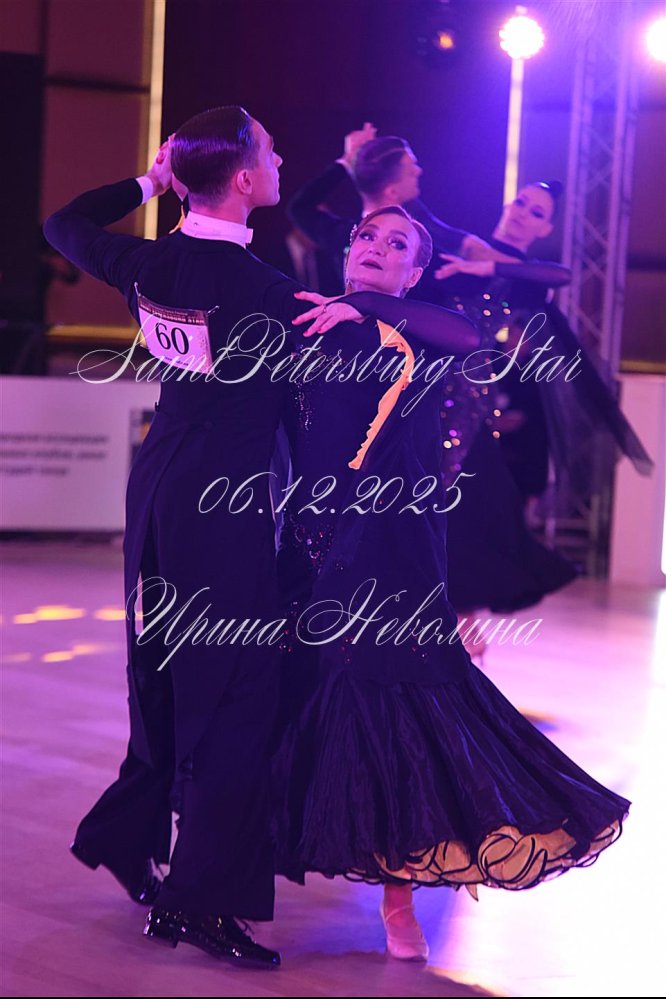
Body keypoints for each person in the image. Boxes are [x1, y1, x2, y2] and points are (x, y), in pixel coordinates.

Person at [43, 106, 438, 969]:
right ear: (249, 179)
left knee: (162, 669)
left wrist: (150, 181)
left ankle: (127, 835)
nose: (282, 154)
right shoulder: (266, 292)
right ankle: (203, 901)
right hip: (222, 508)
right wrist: (368, 306)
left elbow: (63, 223)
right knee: (238, 696)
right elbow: (402, 335)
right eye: (270, 147)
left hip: (157, 489)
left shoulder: (151, 261)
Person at [271, 206, 630, 962]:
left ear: (414, 272)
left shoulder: (416, 330)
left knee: (397, 716)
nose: (376, 247)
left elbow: (467, 336)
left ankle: (398, 896)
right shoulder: (307, 324)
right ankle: (255, 858)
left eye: (397, 244)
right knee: (298, 704)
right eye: (366, 237)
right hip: (306, 546)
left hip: (387, 552)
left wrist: (366, 305)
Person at [432, 181, 652, 610]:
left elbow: (560, 276)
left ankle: (460, 614)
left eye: (536, 212)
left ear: (545, 228)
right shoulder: (463, 245)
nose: (522, 213)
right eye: (521, 202)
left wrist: (489, 266)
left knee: (469, 504)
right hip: (425, 386)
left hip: (467, 402)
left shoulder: (526, 279)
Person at [287, 122, 491, 290]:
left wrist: (346, 162)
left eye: (397, 244)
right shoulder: (416, 242)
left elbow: (301, 207)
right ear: (392, 192)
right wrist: (347, 163)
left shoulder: (421, 236)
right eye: (411, 171)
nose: (419, 171)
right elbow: (299, 208)